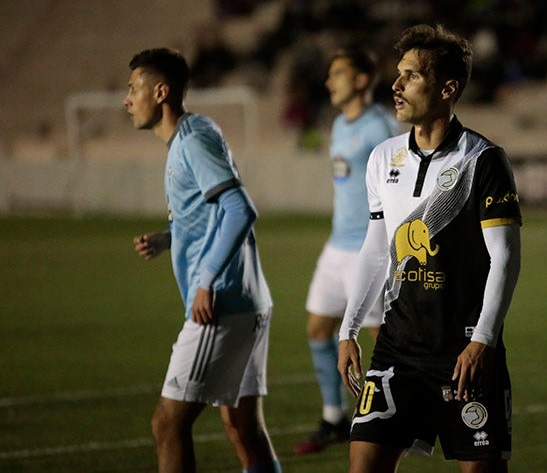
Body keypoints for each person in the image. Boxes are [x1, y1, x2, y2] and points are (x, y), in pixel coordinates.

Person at [338, 23, 522, 473]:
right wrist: (349, 328)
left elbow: (505, 257)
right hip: (396, 351)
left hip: (462, 354)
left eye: (411, 76)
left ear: (448, 88)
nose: (396, 86)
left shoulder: (483, 160)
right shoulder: (384, 158)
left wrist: (483, 341)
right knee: (363, 464)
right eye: (397, 74)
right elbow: (376, 249)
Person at [123, 48, 282, 473]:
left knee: (167, 424)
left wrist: (206, 279)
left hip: (221, 306)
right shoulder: (197, 131)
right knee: (242, 426)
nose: (127, 100)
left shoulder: (191, 141)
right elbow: (212, 214)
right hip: (248, 301)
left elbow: (240, 209)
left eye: (133, 88)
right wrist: (168, 237)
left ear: (161, 92)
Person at [294, 46, 400, 455]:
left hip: (368, 250)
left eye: (337, 73)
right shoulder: (339, 124)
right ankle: (334, 417)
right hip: (336, 245)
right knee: (319, 329)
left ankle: (386, 418)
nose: (328, 81)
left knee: (380, 337)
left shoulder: (382, 127)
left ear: (360, 80)